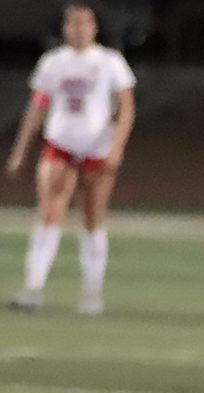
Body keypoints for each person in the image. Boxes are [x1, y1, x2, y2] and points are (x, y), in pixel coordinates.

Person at [5, 3, 135, 316]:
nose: (79, 28)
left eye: (85, 22)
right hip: (59, 143)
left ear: (94, 27)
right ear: (65, 28)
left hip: (96, 148)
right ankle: (33, 288)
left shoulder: (109, 61)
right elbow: (38, 104)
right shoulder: (53, 62)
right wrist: (20, 148)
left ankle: (92, 292)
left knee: (92, 216)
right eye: (73, 23)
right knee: (49, 212)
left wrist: (116, 146)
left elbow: (126, 106)